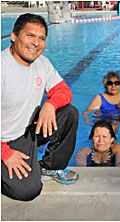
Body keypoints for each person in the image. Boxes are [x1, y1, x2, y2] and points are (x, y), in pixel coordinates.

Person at [1, 14, 79, 201]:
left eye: (41, 38)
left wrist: (50, 105)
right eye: (30, 35)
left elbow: (63, 91)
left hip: (27, 132)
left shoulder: (42, 64)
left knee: (69, 113)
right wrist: (5, 153)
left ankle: (50, 167)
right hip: (4, 139)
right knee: (28, 191)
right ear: (13, 36)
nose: (36, 43)